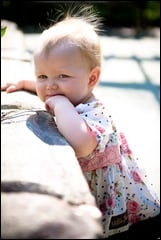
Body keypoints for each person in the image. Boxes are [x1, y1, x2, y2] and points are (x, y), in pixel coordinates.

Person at [1, 4, 160, 239]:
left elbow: (83, 144)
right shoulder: (68, 93)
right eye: (42, 76)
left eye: (62, 76)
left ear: (92, 77)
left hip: (127, 218)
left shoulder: (96, 114)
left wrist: (60, 105)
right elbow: (54, 88)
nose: (50, 85)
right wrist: (29, 84)